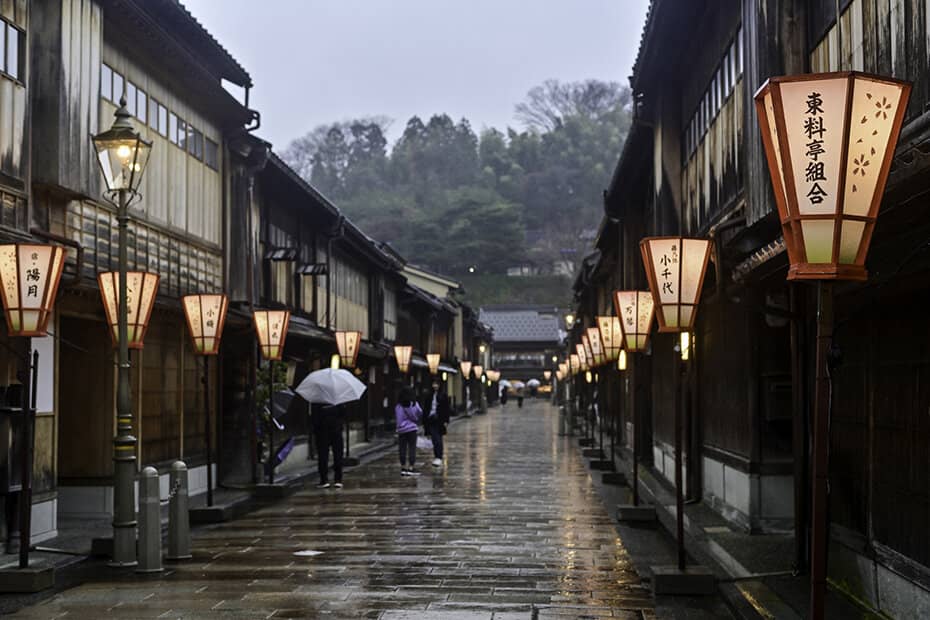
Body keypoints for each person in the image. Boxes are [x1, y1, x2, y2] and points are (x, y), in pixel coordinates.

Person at [310, 402, 345, 489]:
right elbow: (343, 414)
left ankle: (324, 480)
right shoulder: (337, 400)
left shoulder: (317, 401)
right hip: (336, 429)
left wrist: (315, 429)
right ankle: (338, 480)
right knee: (338, 454)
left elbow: (314, 418)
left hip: (322, 431)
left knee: (323, 456)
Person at [421, 381, 450, 467]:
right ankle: (436, 456)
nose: (435, 386)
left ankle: (439, 456)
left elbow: (446, 408)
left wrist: (446, 420)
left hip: (439, 419)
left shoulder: (443, 395)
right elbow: (426, 408)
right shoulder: (429, 395)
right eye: (433, 384)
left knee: (438, 438)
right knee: (434, 438)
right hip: (431, 419)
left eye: (437, 384)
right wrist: (424, 421)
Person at [395, 386, 422, 477]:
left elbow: (398, 419)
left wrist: (399, 427)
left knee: (402, 448)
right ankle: (411, 467)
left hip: (402, 430)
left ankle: (403, 467)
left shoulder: (399, 406)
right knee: (412, 448)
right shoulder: (414, 404)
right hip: (412, 429)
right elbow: (420, 413)